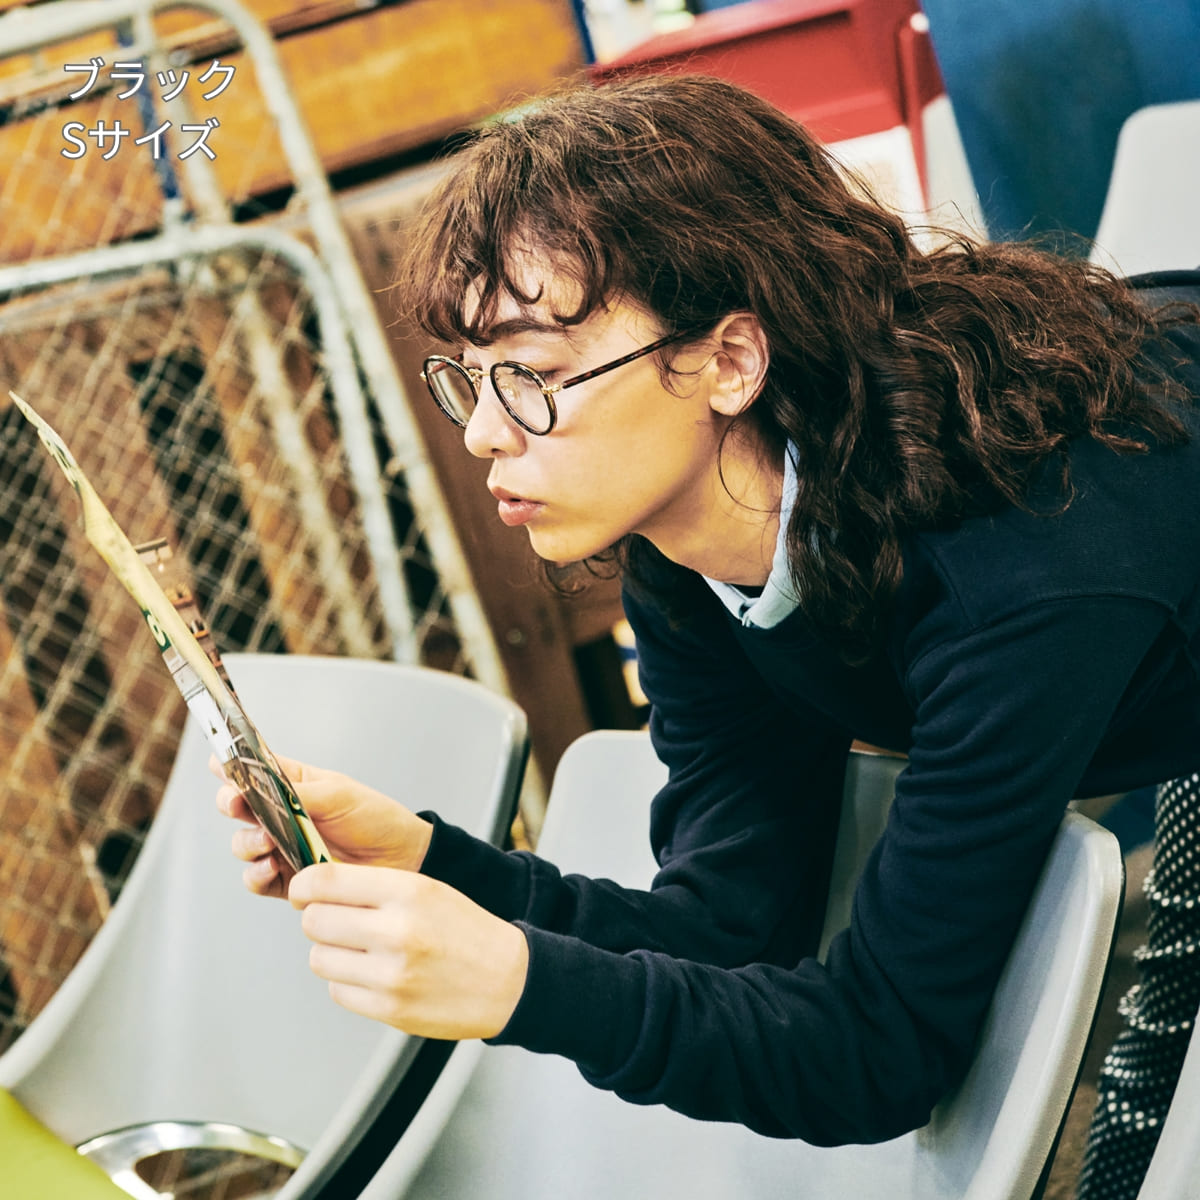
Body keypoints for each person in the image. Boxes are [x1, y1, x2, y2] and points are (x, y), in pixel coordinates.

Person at [216, 75, 1200, 1198]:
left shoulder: (1019, 565)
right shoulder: (692, 553)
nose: (484, 433)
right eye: (471, 380)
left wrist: (521, 986)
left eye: (533, 375)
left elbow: (879, 1051)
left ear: (732, 360)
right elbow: (732, 929)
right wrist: (440, 868)